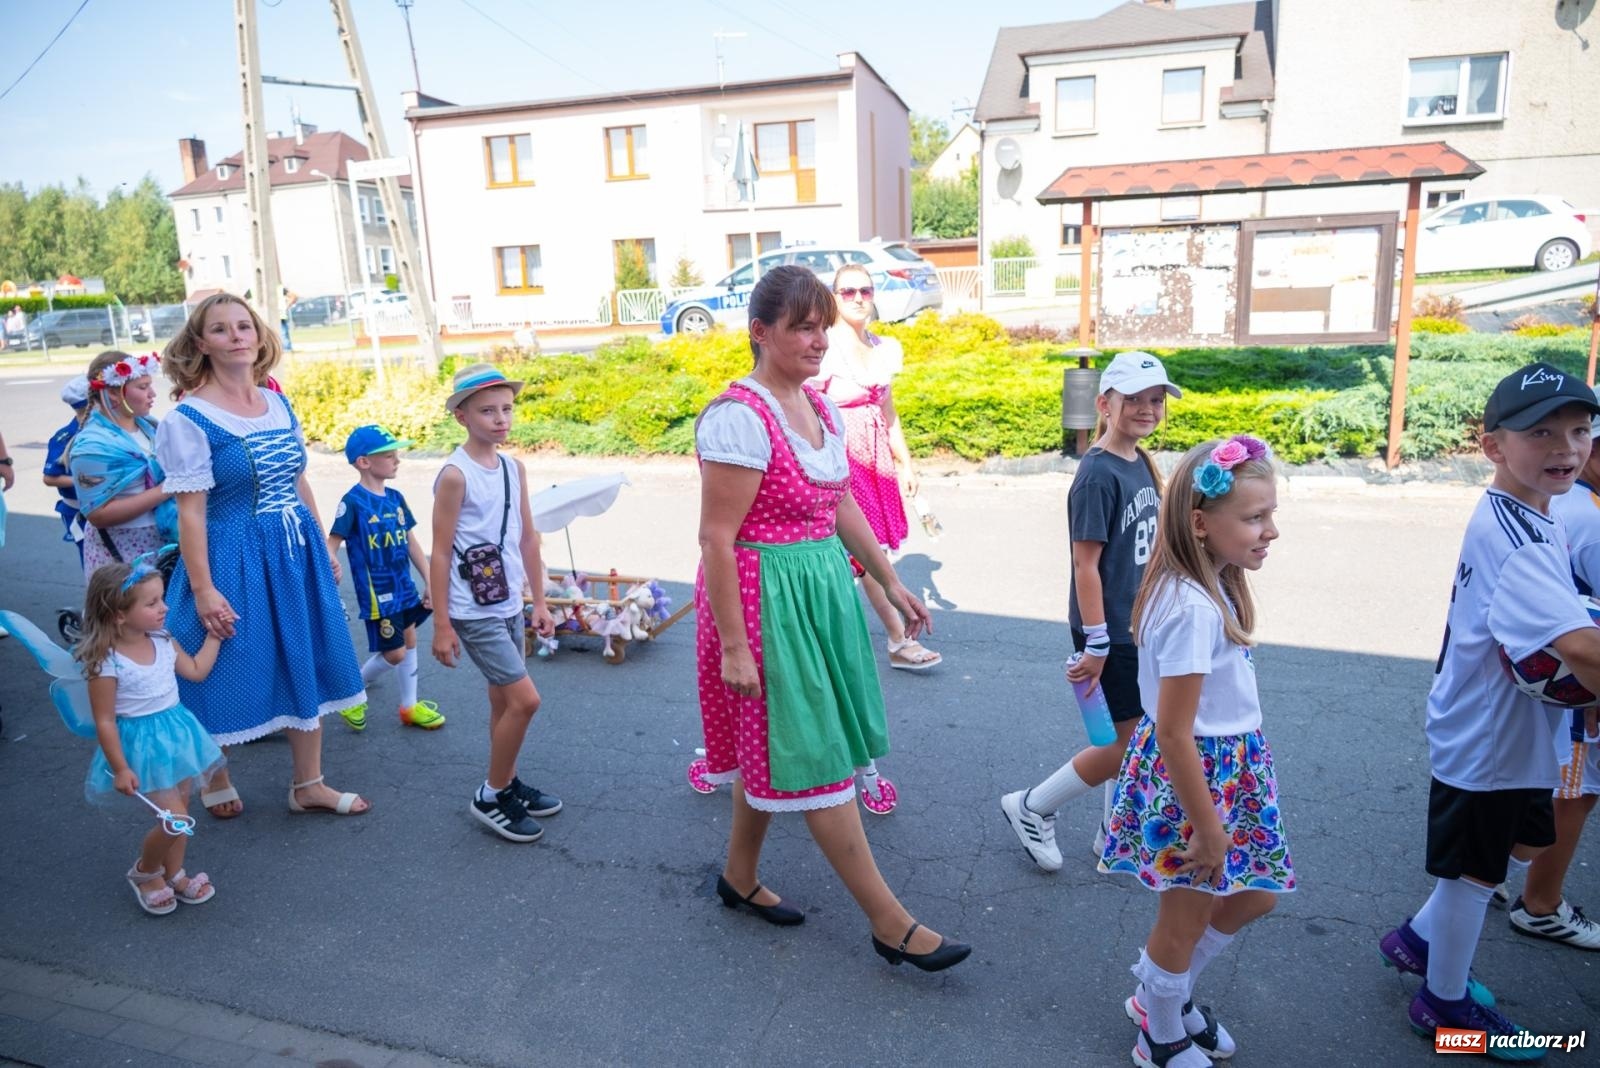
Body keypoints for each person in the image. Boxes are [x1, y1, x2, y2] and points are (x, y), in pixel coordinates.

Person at [694, 265, 969, 971]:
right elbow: (717, 539)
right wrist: (733, 646)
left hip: (817, 592)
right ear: (761, 333)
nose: (818, 339)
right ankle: (889, 922)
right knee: (814, 753)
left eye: (822, 325)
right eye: (802, 327)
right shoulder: (738, 417)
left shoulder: (818, 408)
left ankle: (738, 877)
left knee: (784, 745)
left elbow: (841, 502)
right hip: (765, 603)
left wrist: (890, 580)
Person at [1379, 364, 1600, 1059]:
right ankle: (1443, 1005)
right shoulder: (1525, 545)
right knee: (1477, 871)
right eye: (1540, 433)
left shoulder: (1529, 506)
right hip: (1490, 739)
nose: (1566, 446)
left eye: (1579, 429)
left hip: (1499, 727)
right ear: (1494, 445)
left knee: (1517, 845)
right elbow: (1582, 648)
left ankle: (1416, 940)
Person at [1102, 435, 1292, 1067]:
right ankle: (1159, 1030)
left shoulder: (1211, 586)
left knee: (1256, 893)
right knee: (1183, 919)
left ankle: (1167, 991)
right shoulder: (1189, 607)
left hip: (1228, 772)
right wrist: (1208, 827)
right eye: (1254, 517)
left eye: (1271, 515)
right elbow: (1175, 731)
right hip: (1197, 781)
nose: (1270, 531)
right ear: (1201, 524)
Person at [155, 293, 369, 819]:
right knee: (228, 664)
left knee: (306, 654)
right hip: (231, 554)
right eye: (222, 329)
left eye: (244, 326)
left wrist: (321, 543)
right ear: (201, 343)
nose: (237, 336)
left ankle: (308, 784)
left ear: (258, 335)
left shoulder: (277, 402)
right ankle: (215, 773)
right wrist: (204, 589)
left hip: (293, 551)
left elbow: (298, 480)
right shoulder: (189, 418)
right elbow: (191, 514)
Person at [1002, 352, 1180, 873]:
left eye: (1156, 400)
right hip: (1109, 631)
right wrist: (1098, 643)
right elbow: (1086, 565)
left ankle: (1112, 835)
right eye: (1134, 400)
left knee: (1137, 731)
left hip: (1138, 622)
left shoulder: (1140, 461)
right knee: (1124, 745)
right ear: (1104, 404)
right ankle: (1033, 805)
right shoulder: (1098, 476)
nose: (1147, 410)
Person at [430, 363, 563, 843]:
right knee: (526, 700)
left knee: (503, 699)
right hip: (472, 608)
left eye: (507, 408)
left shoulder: (513, 467)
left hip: (507, 601)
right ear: (462, 417)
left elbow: (528, 538)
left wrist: (540, 602)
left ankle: (504, 783)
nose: (501, 419)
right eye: (488, 411)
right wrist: (441, 625)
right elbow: (440, 551)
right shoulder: (454, 475)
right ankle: (491, 794)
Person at [78, 558, 226, 915]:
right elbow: (105, 721)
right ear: (118, 614)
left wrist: (214, 637)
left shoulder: (162, 640)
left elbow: (194, 671)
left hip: (178, 735)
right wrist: (120, 767)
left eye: (161, 599)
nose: (165, 608)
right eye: (152, 603)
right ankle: (145, 872)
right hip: (142, 748)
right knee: (176, 819)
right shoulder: (107, 661)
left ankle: (174, 874)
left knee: (181, 811)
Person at [811, 264, 940, 671]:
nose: (858, 298)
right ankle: (898, 639)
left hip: (876, 457)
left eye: (865, 290)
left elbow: (888, 411)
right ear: (834, 298)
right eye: (847, 292)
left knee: (865, 549)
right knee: (863, 549)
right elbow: (808, 409)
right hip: (842, 456)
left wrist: (905, 464)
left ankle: (831, 634)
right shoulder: (824, 349)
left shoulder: (883, 347)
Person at [1503, 423, 1600, 950]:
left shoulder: (1557, 502)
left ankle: (1488, 873)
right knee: (1575, 793)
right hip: (1575, 689)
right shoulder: (1586, 516)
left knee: (1544, 785)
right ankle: (1539, 904)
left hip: (1547, 681)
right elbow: (1584, 641)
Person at [328, 424, 444, 732]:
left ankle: (409, 706)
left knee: (408, 640)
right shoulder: (352, 501)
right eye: (389, 455)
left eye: (397, 454)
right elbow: (333, 542)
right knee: (394, 653)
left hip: (404, 588)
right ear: (364, 462)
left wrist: (430, 580)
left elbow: (411, 542)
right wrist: (329, 566)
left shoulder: (396, 498)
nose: (397, 460)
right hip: (378, 594)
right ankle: (353, 693)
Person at [69, 352, 178, 577]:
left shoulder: (149, 426)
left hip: (163, 542)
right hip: (122, 552)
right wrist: (167, 489)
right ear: (113, 393)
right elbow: (97, 514)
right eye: (142, 387)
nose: (153, 394)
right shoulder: (93, 445)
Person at [42, 376, 91, 564]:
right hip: (80, 510)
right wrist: (83, 481)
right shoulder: (65, 436)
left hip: (107, 507)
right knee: (94, 566)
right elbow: (49, 477)